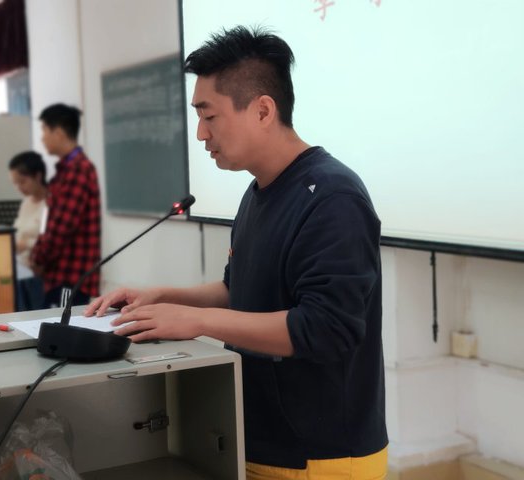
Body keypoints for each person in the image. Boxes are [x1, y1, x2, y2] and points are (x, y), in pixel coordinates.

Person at [85, 26, 387, 479]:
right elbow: (239, 290)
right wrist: (163, 298)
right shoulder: (258, 191)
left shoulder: (332, 197)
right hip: (258, 437)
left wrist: (197, 322)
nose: (200, 133)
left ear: (263, 110)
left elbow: (325, 328)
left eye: (209, 116)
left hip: (318, 457)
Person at [30, 103, 100, 308]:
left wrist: (38, 259)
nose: (42, 138)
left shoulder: (78, 170)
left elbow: (61, 228)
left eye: (44, 130)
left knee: (60, 326)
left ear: (59, 133)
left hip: (69, 277)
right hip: (59, 275)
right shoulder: (65, 170)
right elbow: (49, 221)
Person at [8, 151, 48, 311]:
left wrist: (26, 244)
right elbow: (19, 233)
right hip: (21, 266)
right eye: (15, 183)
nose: (19, 188)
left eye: (22, 182)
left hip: (39, 270)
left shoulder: (52, 203)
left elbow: (52, 240)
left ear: (38, 176)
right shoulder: (26, 203)